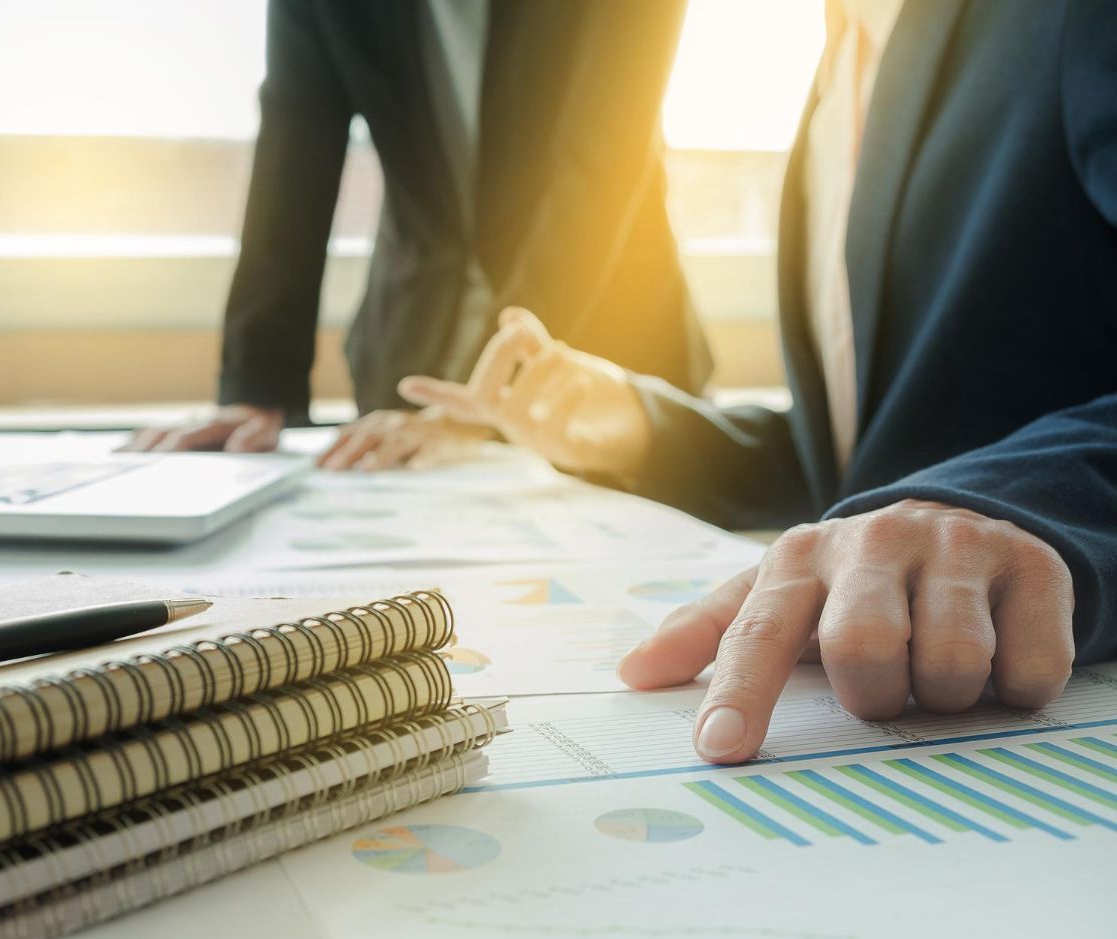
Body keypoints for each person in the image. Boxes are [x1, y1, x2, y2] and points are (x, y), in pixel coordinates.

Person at [392, 0, 1117, 763]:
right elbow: (861, 458)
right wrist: (645, 427)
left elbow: (924, 497)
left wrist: (1004, 512)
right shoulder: (837, 65)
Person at [127, 0, 711, 464]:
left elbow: (600, 165)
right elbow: (294, 146)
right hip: (415, 359)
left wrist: (492, 402)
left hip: (600, 359)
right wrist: (258, 386)